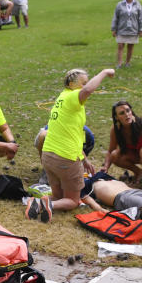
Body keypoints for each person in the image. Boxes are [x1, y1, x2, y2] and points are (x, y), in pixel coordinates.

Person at [39, 68, 116, 219]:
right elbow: (88, 90)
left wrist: (84, 159)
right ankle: (45, 205)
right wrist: (105, 72)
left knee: (58, 196)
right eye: (83, 83)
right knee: (73, 201)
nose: (85, 86)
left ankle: (37, 203)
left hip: (48, 155)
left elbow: (69, 134)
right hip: (65, 158)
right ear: (71, 83)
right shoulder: (73, 97)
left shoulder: (62, 97)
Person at [111, 0, 142, 68]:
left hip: (133, 29)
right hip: (121, 28)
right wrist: (113, 29)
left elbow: (141, 17)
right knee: (120, 45)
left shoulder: (138, 5)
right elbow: (115, 17)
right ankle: (119, 63)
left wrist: (141, 29)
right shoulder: (119, 5)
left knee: (130, 46)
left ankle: (127, 62)